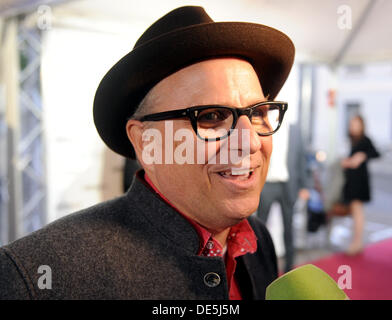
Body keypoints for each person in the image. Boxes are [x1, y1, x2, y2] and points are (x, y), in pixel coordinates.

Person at [0, 6, 294, 299]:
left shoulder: (257, 239)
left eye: (258, 113)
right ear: (146, 143)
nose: (252, 142)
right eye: (212, 116)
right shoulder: (35, 274)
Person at [256, 123, 309, 272]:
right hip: (268, 184)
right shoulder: (264, 128)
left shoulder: (295, 130)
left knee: (289, 228)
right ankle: (259, 267)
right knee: (260, 227)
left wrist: (304, 185)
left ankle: (289, 269)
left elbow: (301, 159)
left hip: (288, 185)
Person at [341, 115, 380, 255]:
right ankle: (356, 242)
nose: (353, 126)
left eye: (356, 124)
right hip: (351, 181)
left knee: (358, 212)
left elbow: (376, 153)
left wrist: (362, 156)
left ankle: (356, 243)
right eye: (352, 123)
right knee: (354, 213)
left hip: (359, 182)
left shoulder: (365, 140)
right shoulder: (351, 140)